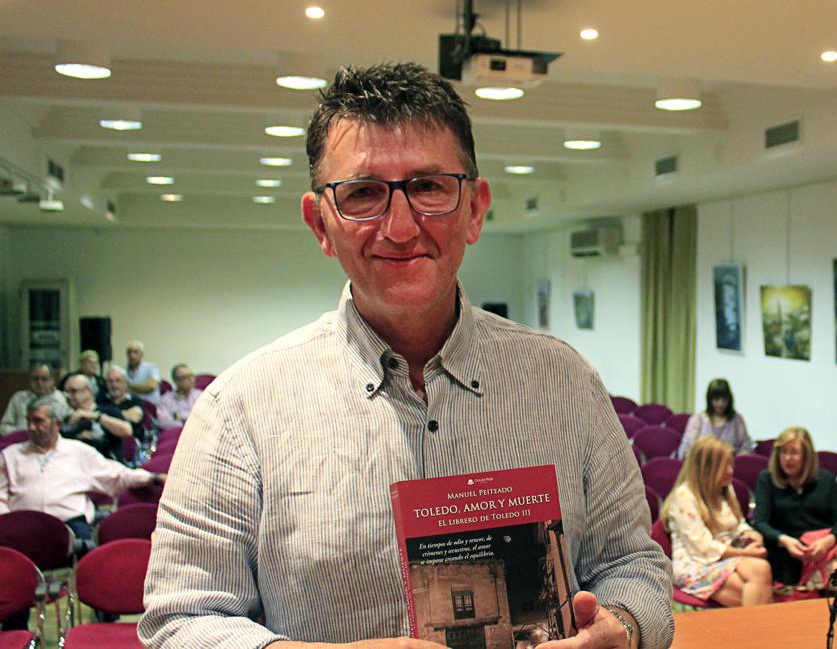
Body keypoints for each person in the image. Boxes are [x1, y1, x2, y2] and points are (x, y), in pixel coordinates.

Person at [141, 63, 672, 649]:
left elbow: (637, 568)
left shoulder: (563, 383)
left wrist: (620, 628)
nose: (400, 227)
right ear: (320, 223)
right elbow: (179, 622)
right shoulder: (237, 411)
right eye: (363, 193)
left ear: (474, 209)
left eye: (428, 187)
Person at [0, 399, 163, 546]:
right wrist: (9, 523)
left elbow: (117, 474)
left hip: (71, 526)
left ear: (57, 424)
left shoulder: (79, 452)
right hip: (23, 526)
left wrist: (153, 477)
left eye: (38, 421)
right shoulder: (10, 456)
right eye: (28, 421)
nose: (31, 427)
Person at [752, 427, 837, 595]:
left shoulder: (825, 479)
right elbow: (760, 522)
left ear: (807, 456)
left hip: (825, 550)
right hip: (790, 556)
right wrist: (784, 540)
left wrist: (827, 541)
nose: (787, 458)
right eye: (783, 452)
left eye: (794, 453)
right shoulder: (767, 479)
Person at [662, 436, 772, 606]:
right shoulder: (684, 496)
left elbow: (738, 523)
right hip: (696, 564)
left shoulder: (725, 489)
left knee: (760, 573)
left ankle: (752, 629)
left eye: (731, 464)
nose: (730, 470)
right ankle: (757, 629)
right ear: (707, 468)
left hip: (725, 559)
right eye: (724, 465)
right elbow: (702, 547)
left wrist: (749, 533)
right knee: (758, 589)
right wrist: (745, 553)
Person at [61, 373, 133, 462]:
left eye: (73, 391)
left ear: (88, 391)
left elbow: (127, 430)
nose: (68, 396)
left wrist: (95, 416)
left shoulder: (108, 411)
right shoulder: (66, 418)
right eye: (66, 392)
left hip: (107, 466)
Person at [677, 379, 752, 458]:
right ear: (709, 400)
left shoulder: (737, 420)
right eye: (716, 399)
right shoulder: (698, 420)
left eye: (724, 399)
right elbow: (686, 450)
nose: (720, 403)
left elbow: (746, 446)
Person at [1, 363, 70, 435]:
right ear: (30, 380)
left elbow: (67, 425)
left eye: (44, 379)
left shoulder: (61, 398)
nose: (39, 383)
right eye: (36, 379)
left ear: (52, 380)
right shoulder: (18, 398)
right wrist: (22, 433)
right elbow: (4, 427)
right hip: (22, 441)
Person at [156, 363, 202, 430]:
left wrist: (181, 416)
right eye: (186, 377)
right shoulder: (166, 399)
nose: (192, 379)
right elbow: (162, 421)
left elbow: (203, 416)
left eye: (192, 375)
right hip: (175, 434)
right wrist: (184, 424)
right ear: (176, 381)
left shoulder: (200, 395)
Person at [124, 340, 161, 411]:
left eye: (135, 352)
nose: (132, 355)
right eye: (129, 352)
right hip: (131, 407)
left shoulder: (152, 368)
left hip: (150, 408)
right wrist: (142, 386)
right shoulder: (123, 371)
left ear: (142, 354)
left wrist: (127, 386)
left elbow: (150, 387)